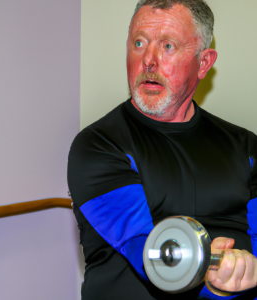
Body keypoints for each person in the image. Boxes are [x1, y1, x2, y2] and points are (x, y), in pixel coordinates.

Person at [67, 0, 257, 299]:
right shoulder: (99, 145)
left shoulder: (247, 146)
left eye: (168, 46)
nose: (148, 60)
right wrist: (218, 280)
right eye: (139, 43)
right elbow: (150, 254)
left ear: (204, 62)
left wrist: (247, 274)